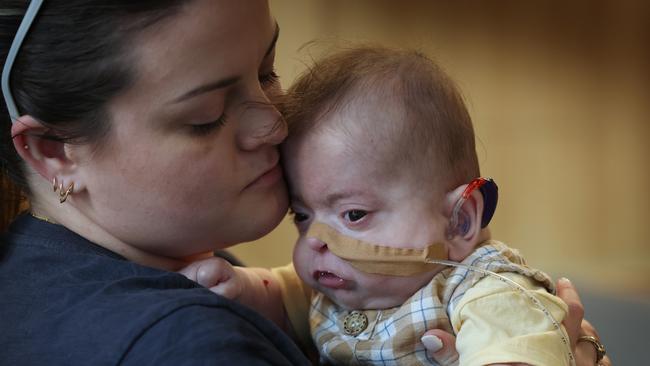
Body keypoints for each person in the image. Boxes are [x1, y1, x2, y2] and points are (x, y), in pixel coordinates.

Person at [0, 1, 608, 365]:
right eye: (206, 116)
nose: (273, 123)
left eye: (267, 71)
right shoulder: (184, 341)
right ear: (53, 150)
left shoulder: (38, 263)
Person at [181, 46, 609, 365]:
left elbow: (517, 349)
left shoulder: (486, 293)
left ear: (459, 221)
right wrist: (242, 290)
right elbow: (290, 295)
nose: (316, 242)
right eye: (303, 216)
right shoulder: (337, 287)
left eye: (353, 215)